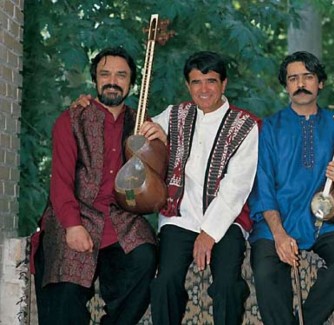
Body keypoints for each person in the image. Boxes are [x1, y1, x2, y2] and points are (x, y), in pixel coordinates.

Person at [30, 47, 158, 325]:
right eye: (105, 74)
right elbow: (61, 181)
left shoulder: (142, 124)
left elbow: (159, 179)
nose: (113, 81)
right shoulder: (71, 119)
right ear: (95, 80)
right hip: (75, 213)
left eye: (121, 75)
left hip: (120, 218)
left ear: (132, 83)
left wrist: (159, 142)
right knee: (63, 290)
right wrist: (72, 225)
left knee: (145, 257)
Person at [140, 51, 259, 324]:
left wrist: (209, 233)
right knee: (164, 283)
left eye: (211, 81)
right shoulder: (174, 114)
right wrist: (152, 135)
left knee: (228, 285)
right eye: (196, 82)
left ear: (224, 84)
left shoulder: (245, 125)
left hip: (226, 220)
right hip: (179, 217)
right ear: (187, 85)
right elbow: (139, 133)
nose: (203, 89)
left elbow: (237, 185)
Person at [248, 51, 334, 325]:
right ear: (286, 85)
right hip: (278, 219)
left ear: (319, 83)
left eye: (308, 77)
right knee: (265, 271)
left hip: (325, 221)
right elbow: (262, 186)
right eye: (293, 78)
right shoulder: (269, 128)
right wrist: (278, 234)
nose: (300, 84)